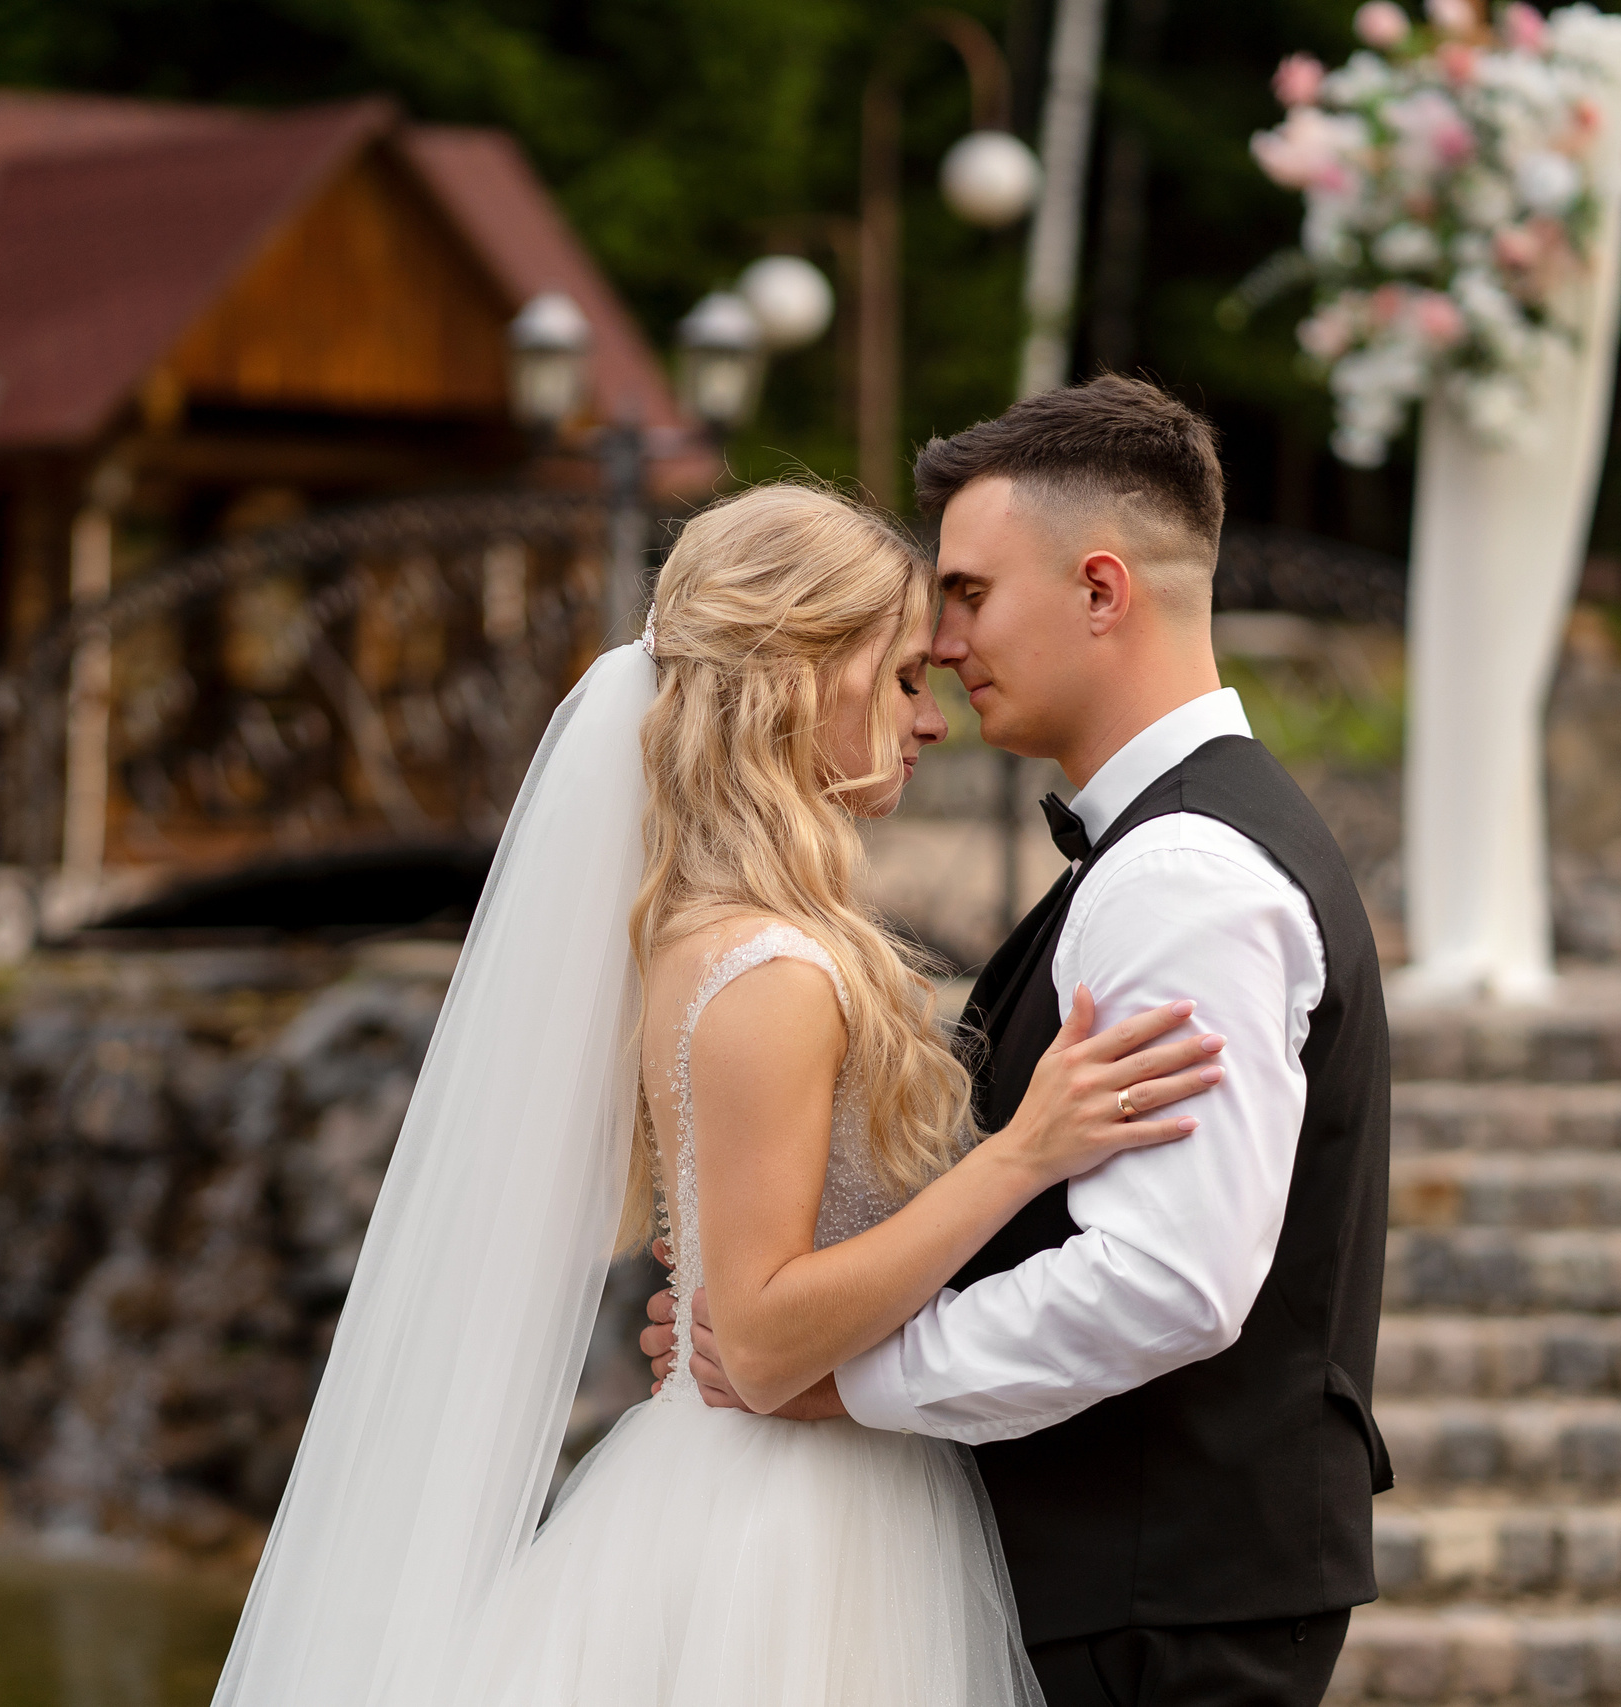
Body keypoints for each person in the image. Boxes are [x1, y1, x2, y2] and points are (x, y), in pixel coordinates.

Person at [210, 481, 1224, 1707]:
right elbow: (757, 1333)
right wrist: (1019, 1158)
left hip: (812, 1486)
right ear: (804, 678)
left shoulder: (739, 942)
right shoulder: (769, 973)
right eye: (901, 677)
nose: (930, 717)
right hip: (784, 1527)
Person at [647, 376, 1394, 1707]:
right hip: (1119, 1582)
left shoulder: (1182, 879)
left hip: (1154, 1602)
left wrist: (849, 1378)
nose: (945, 639)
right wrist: (772, 1297)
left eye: (974, 594)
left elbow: (1164, 1278)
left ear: (1102, 589)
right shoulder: (1156, 854)